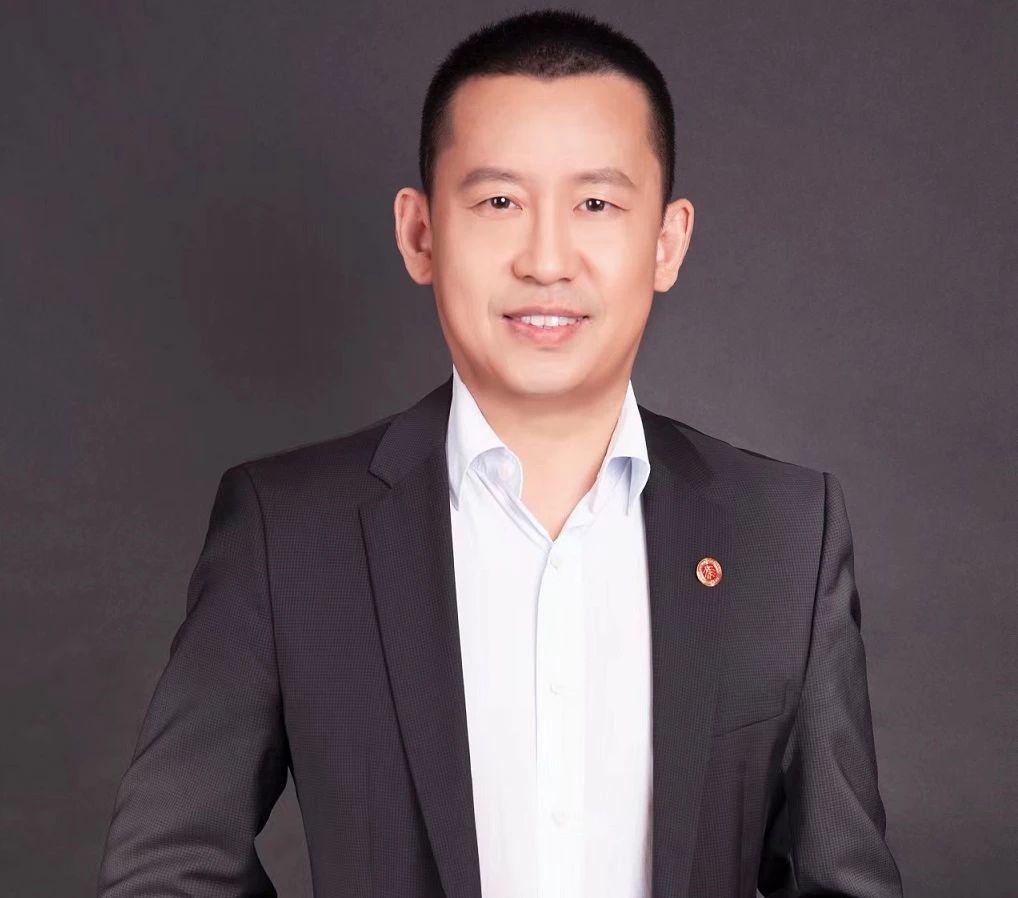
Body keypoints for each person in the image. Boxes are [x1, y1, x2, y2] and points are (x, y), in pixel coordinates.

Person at [96, 9, 904, 898]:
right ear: (420, 233)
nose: (546, 260)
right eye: (499, 203)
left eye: (596, 204)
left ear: (667, 242)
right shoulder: (287, 533)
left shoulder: (782, 534)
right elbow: (167, 871)